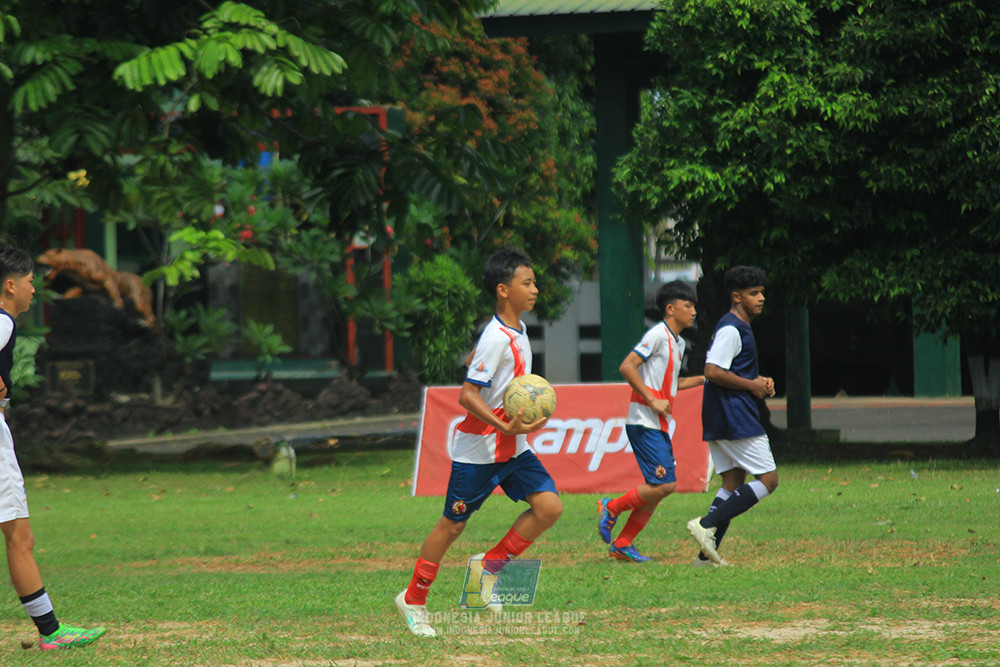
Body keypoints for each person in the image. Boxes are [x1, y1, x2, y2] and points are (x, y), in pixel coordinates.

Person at [395, 248, 562, 637]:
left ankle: (486, 570)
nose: (535, 289)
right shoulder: (497, 337)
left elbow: (477, 363)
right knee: (453, 526)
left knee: (549, 507)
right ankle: (414, 599)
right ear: (503, 290)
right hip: (480, 450)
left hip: (513, 449)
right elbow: (467, 395)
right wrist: (503, 426)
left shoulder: (516, 330)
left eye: (534, 282)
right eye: (527, 283)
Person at [0, 245, 107, 649]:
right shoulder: (4, 324)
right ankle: (52, 632)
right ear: (10, 286)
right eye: (29, 282)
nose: (34, 289)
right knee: (19, 537)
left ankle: (51, 631)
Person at [597, 280, 704, 562]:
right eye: (688, 306)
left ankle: (622, 543)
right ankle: (611, 506)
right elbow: (627, 366)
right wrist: (652, 400)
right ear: (670, 309)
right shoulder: (658, 334)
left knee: (657, 491)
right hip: (644, 420)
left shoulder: (678, 342)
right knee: (665, 485)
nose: (694, 311)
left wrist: (706, 378)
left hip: (658, 424)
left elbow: (673, 383)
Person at [686, 265, 777, 567]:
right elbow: (712, 371)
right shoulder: (731, 328)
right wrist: (751, 385)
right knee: (768, 480)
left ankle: (704, 557)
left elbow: (732, 370)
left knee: (733, 481)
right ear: (737, 297)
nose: (761, 298)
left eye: (762, 292)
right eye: (754, 293)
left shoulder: (738, 326)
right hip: (733, 415)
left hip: (723, 413)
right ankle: (706, 524)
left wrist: (758, 383)